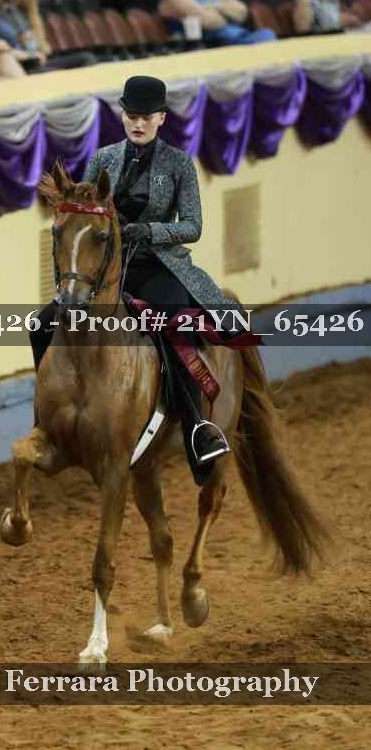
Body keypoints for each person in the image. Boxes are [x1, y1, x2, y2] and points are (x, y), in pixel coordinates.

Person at [31, 76, 246, 480]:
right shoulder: (103, 159)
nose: (138, 123)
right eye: (131, 115)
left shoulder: (179, 164)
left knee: (174, 326)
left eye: (146, 117)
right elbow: (83, 210)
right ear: (124, 116)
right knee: (41, 324)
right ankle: (46, 417)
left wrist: (149, 231)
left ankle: (197, 428)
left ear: (161, 118)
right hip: (107, 272)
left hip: (158, 266)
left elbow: (193, 226)